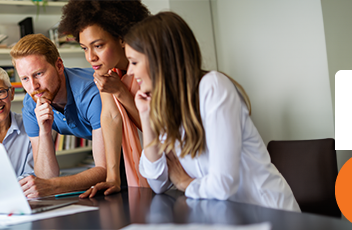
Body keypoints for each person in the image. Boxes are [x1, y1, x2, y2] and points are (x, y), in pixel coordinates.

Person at [126, 12, 301, 212]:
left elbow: (223, 185)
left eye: (134, 62)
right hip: (228, 216)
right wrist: (145, 115)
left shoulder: (213, 87)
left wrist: (185, 183)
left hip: (271, 214)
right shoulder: (168, 107)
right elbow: (158, 184)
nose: (130, 72)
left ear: (160, 60)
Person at [59, 0, 151, 197]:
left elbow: (159, 131)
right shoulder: (106, 73)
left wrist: (121, 93)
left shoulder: (149, 70)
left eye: (98, 46)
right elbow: (110, 117)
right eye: (84, 48)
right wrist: (112, 178)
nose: (90, 57)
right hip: (138, 173)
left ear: (122, 38)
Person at [11, 34, 106, 198]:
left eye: (38, 74)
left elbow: (105, 170)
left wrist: (54, 186)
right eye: (25, 78)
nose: (33, 86)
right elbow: (46, 177)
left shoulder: (92, 92)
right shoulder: (31, 104)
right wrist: (45, 132)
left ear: (59, 66)